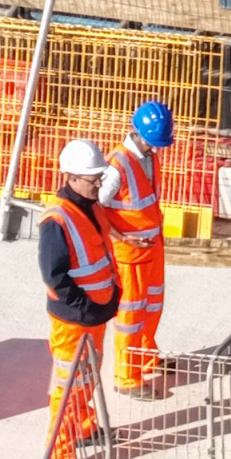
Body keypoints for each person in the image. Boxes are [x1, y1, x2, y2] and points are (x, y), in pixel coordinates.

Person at [36, 135, 118, 459]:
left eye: (101, 177)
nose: (100, 183)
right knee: (68, 386)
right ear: (70, 178)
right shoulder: (57, 220)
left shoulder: (91, 207)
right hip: (75, 318)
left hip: (94, 314)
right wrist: (85, 308)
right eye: (93, 179)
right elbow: (54, 276)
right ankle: (60, 455)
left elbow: (101, 254)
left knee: (87, 376)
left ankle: (83, 428)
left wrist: (110, 297)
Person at [96, 98, 171, 394]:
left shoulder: (149, 156)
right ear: (136, 132)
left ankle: (146, 359)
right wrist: (120, 237)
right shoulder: (117, 165)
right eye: (152, 143)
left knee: (153, 306)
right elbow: (96, 207)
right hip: (130, 254)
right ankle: (128, 379)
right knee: (131, 314)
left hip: (152, 247)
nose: (156, 149)